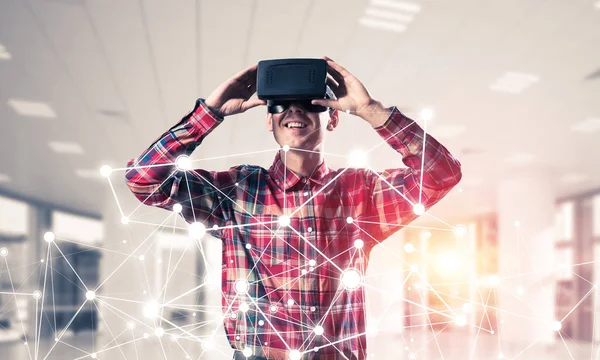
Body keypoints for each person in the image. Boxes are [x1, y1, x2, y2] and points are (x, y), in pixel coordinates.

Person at [125, 56, 462, 360]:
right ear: (268, 121)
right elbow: (142, 180)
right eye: (280, 104)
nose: (295, 111)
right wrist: (207, 116)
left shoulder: (360, 192)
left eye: (309, 103)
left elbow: (441, 175)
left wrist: (373, 110)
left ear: (332, 120)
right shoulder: (238, 191)